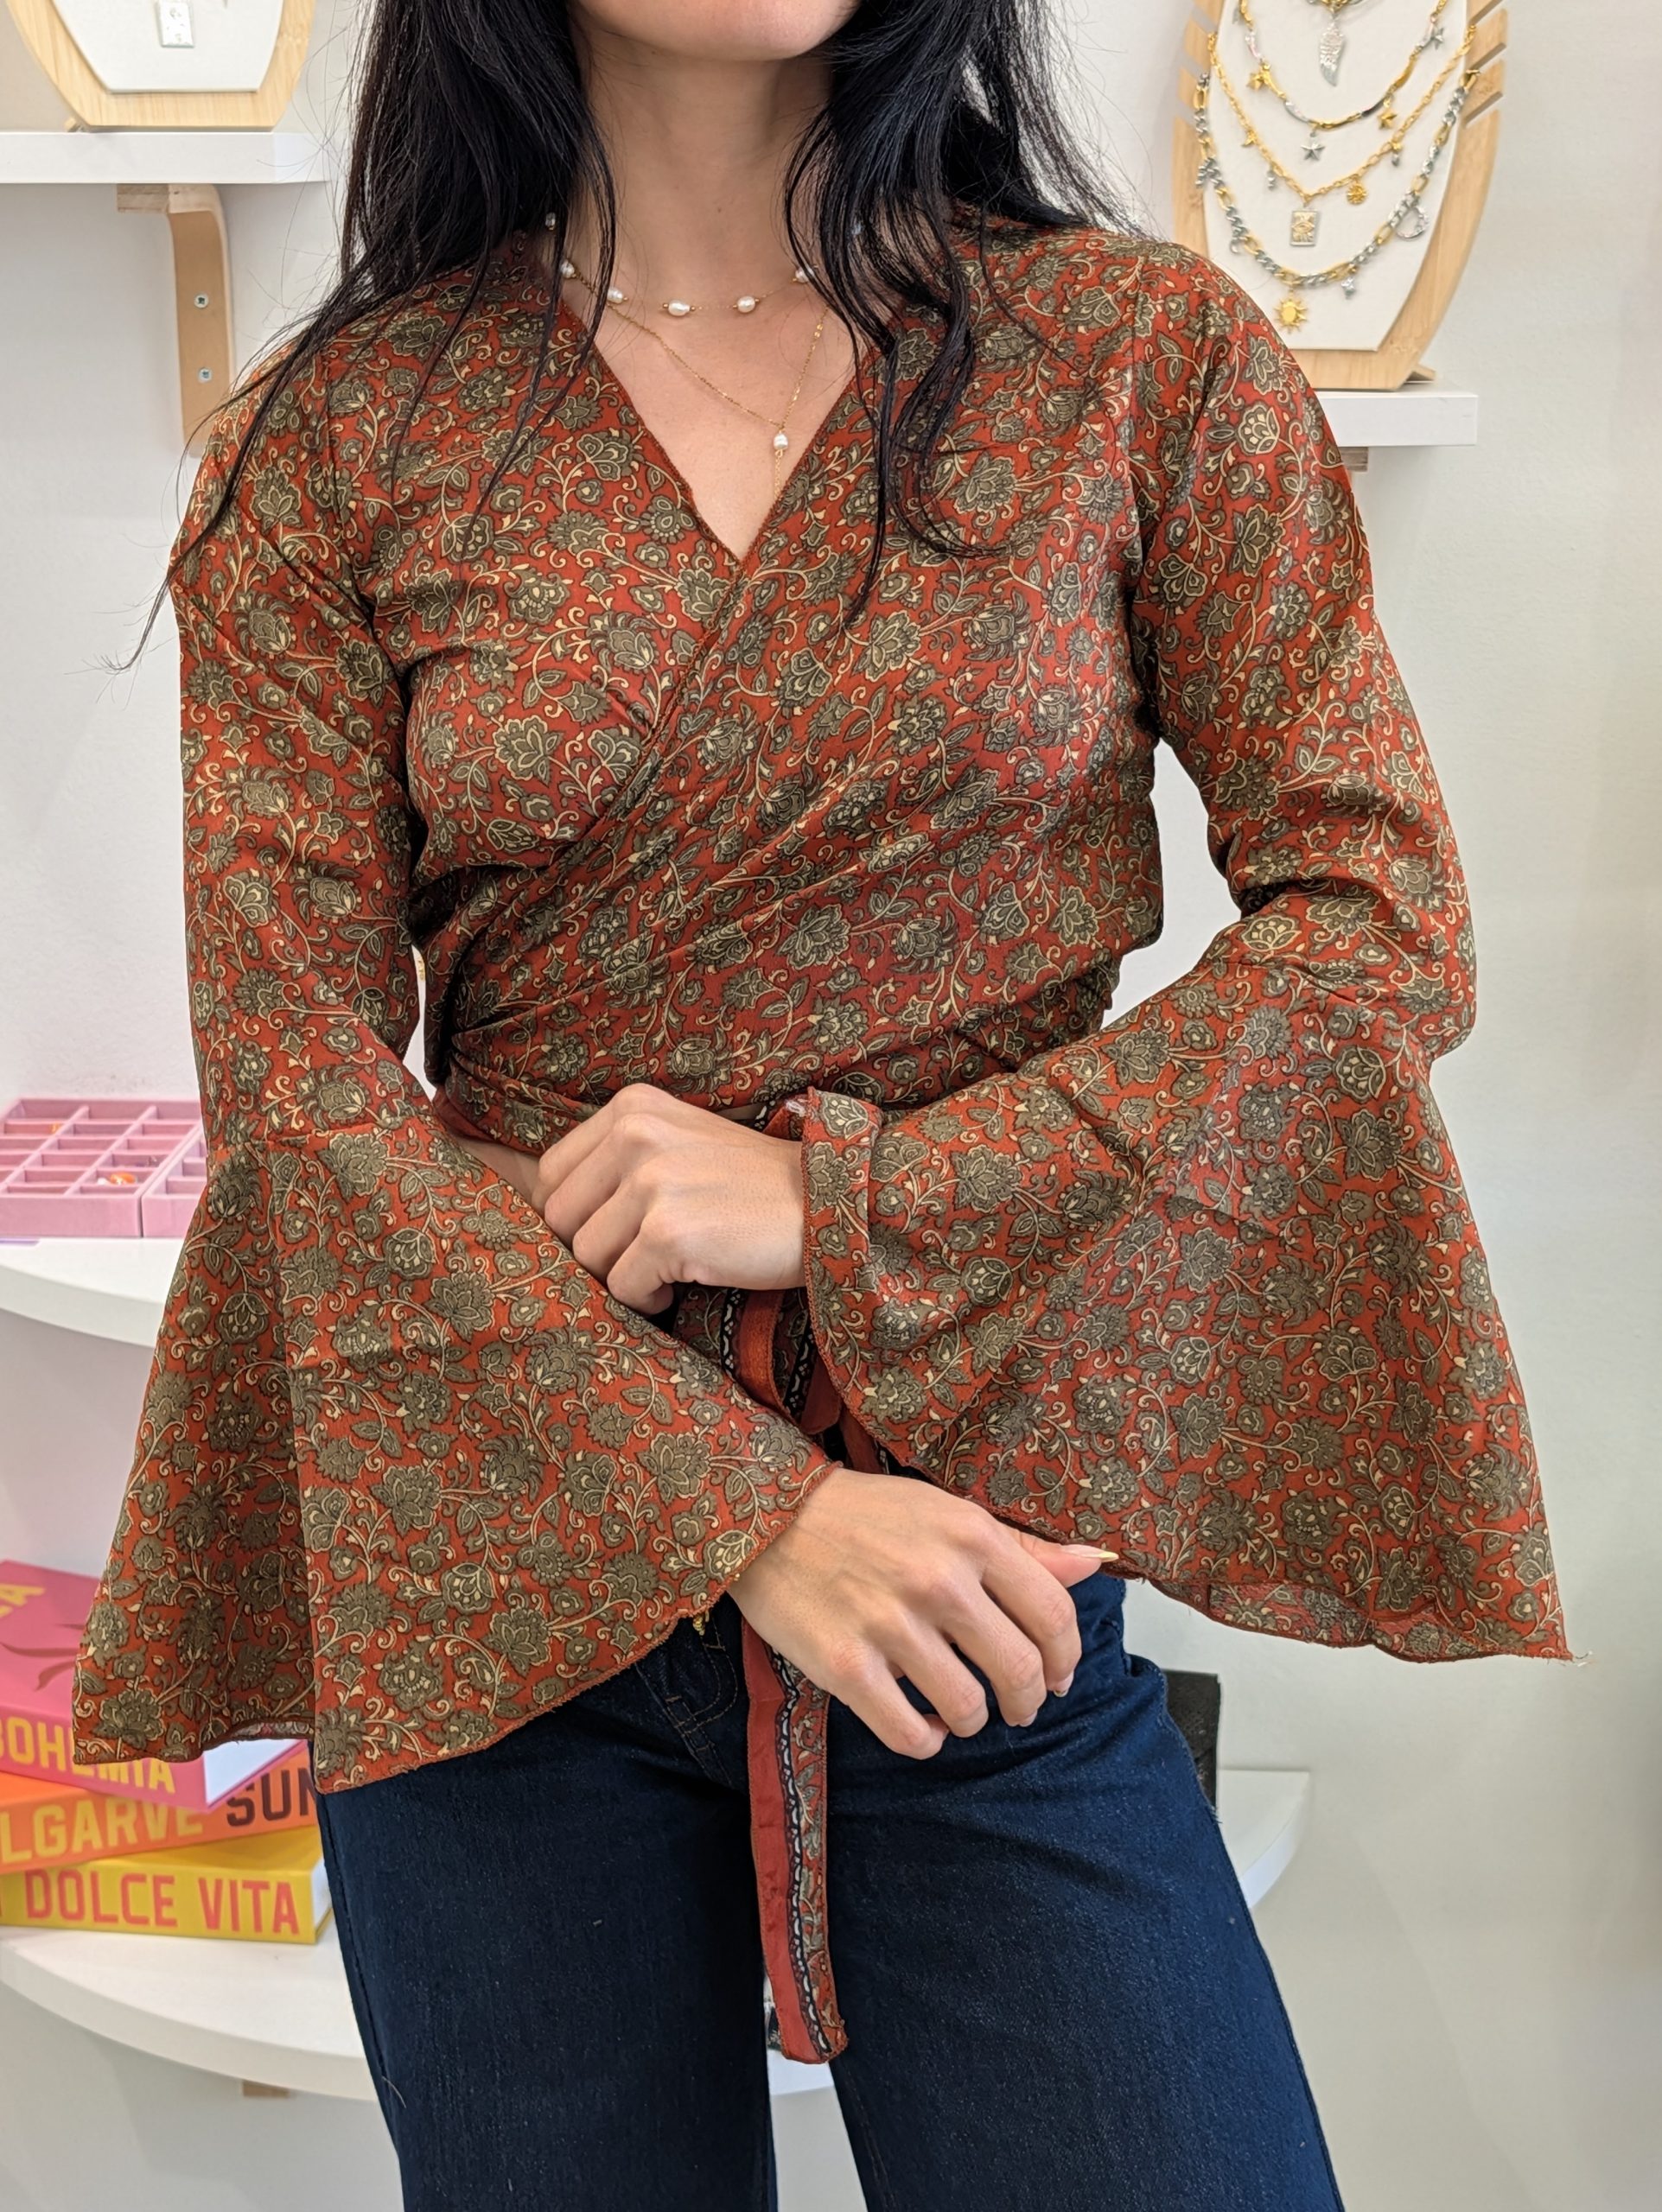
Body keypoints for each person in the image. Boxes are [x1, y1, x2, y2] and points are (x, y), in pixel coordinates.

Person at [71, 3, 1570, 2207]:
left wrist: (839, 1199)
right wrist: (750, 1515)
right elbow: (297, 1091)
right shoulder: (346, 436)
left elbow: (1380, 922)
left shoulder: (1134, 363)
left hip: (972, 1578)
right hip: (498, 1588)